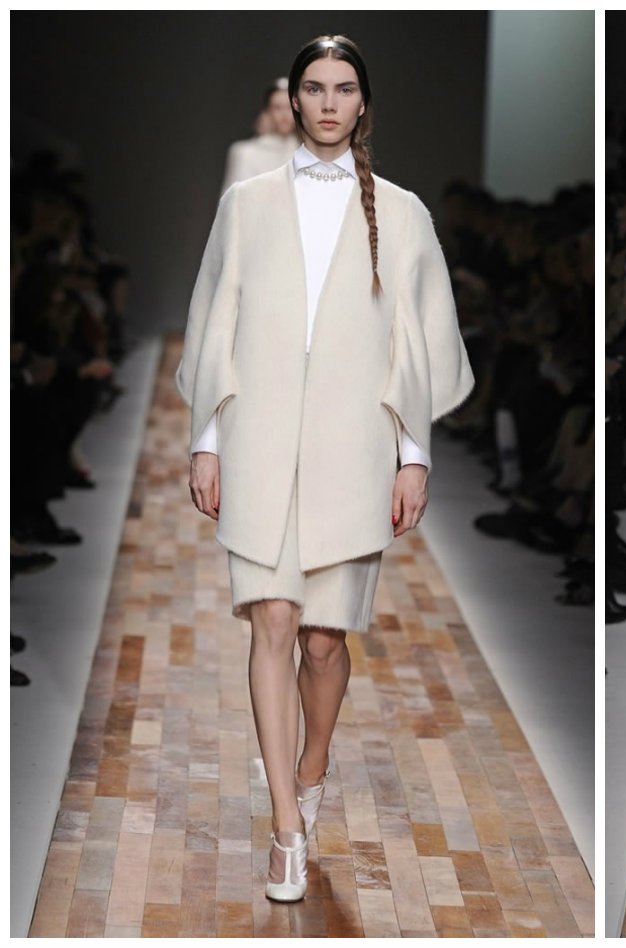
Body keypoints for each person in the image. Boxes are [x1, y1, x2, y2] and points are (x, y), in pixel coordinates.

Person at [176, 34, 474, 902]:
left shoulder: (403, 213)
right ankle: (285, 828)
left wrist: (413, 457)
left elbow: (419, 346)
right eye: (315, 88)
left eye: (344, 88)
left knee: (323, 641)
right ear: (295, 99)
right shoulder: (247, 203)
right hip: (260, 437)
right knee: (272, 620)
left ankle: (313, 765)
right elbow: (215, 321)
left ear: (363, 102)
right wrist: (207, 439)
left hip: (354, 446)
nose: (330, 102)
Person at [220, 78, 300, 192]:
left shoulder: (303, 154)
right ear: (267, 112)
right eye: (277, 107)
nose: (284, 115)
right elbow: (232, 199)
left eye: (289, 108)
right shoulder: (246, 153)